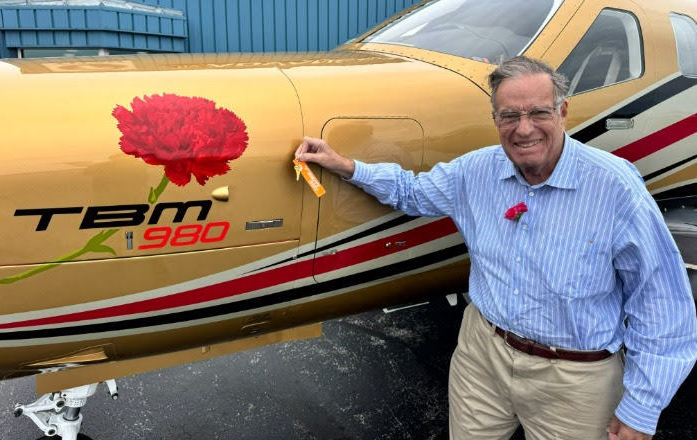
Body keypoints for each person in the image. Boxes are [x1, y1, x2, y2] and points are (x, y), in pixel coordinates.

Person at [294, 56, 697, 440]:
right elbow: (411, 191)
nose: (524, 129)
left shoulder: (615, 187)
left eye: (538, 112)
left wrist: (641, 408)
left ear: (562, 112)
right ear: (496, 120)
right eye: (509, 116)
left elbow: (660, 301)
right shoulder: (476, 171)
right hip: (483, 355)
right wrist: (346, 166)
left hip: (575, 378)